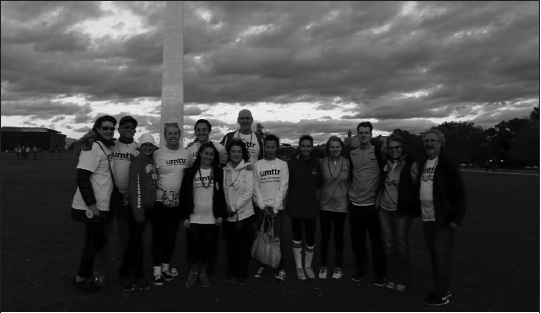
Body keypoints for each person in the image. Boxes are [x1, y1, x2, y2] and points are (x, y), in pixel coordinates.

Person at [73, 116, 140, 287]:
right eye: (125, 126)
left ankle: (121, 270)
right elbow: (84, 173)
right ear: (120, 129)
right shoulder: (107, 144)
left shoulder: (137, 147)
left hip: (127, 201)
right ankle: (97, 272)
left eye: (132, 127)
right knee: (101, 239)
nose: (128, 129)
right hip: (107, 200)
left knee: (125, 237)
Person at [418, 129, 466, 306]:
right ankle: (439, 289)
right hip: (427, 217)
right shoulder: (424, 162)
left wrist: (456, 218)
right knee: (433, 256)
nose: (429, 143)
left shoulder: (447, 163)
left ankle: (443, 294)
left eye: (433, 140)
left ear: (440, 144)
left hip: (443, 219)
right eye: (426, 141)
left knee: (442, 256)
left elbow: (459, 192)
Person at [71, 115, 117, 292]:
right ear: (97, 129)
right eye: (105, 128)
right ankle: (82, 278)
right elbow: (82, 177)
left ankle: (83, 276)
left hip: (102, 204)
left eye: (111, 128)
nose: (109, 131)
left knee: (95, 242)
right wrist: (91, 204)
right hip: (93, 206)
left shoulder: (102, 146)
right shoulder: (92, 147)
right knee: (93, 243)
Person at [375, 134, 420, 292]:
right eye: (391, 148)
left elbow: (416, 186)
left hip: (401, 211)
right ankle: (392, 276)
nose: (394, 150)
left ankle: (403, 278)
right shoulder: (385, 163)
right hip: (384, 209)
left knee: (400, 245)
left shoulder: (411, 164)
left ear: (402, 148)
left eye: (397, 147)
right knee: (388, 245)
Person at [151, 122, 193, 286]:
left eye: (176, 133)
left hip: (177, 204)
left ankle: (166, 267)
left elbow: (188, 175)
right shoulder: (157, 154)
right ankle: (156, 270)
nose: (173, 136)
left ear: (180, 134)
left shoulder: (186, 153)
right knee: (158, 236)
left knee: (171, 235)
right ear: (165, 135)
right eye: (170, 133)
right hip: (159, 202)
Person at [180, 143, 227, 288]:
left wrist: (221, 214)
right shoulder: (189, 172)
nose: (208, 157)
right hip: (194, 217)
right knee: (193, 248)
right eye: (206, 153)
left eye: (211, 154)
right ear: (200, 154)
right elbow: (184, 195)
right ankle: (193, 272)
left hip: (212, 218)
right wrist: (185, 216)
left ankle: (203, 273)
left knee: (209, 249)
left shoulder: (219, 172)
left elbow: (222, 195)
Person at [347, 121, 386, 286]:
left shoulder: (379, 151)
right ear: (357, 134)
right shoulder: (351, 154)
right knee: (358, 241)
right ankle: (360, 270)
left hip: (372, 206)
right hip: (355, 205)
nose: (363, 135)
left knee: (376, 241)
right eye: (360, 132)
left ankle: (379, 274)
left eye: (366, 132)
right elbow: (349, 176)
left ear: (371, 134)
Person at [119, 133, 159, 291]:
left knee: (137, 243)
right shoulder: (137, 163)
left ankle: (135, 274)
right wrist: (139, 213)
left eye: (150, 145)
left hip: (149, 209)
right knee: (135, 244)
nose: (148, 147)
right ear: (140, 146)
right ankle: (127, 274)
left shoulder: (151, 160)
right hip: (138, 210)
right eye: (145, 145)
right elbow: (135, 190)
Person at [252, 134, 289, 281]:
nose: (270, 150)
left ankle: (280, 268)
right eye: (268, 147)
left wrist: (274, 208)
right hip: (262, 209)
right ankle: (262, 264)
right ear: (264, 148)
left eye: (273, 147)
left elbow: (283, 187)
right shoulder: (258, 165)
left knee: (277, 239)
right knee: (263, 237)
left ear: (277, 147)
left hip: (277, 209)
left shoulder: (282, 164)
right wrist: (262, 206)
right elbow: (256, 187)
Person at [285, 135, 322, 280]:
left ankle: (308, 266)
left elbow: (319, 184)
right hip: (295, 205)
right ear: (299, 147)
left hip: (311, 206)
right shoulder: (291, 163)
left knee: (311, 237)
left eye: (308, 146)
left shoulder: (316, 163)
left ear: (311, 147)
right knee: (297, 236)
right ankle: (299, 267)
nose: (305, 149)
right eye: (303, 146)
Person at [222, 140, 255, 285]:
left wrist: (234, 206)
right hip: (228, 216)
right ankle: (231, 272)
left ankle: (241, 274)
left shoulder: (247, 170)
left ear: (243, 154)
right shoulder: (224, 170)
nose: (235, 154)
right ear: (229, 153)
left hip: (244, 214)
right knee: (230, 246)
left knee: (243, 247)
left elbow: (249, 192)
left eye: (238, 152)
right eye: (233, 151)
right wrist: (226, 207)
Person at [319, 136, 350, 280]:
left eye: (337, 147)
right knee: (324, 237)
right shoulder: (322, 162)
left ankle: (338, 267)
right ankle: (323, 266)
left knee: (339, 238)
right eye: (332, 147)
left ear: (342, 148)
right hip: (325, 205)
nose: (335, 149)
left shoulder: (348, 163)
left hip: (341, 206)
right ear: (328, 149)